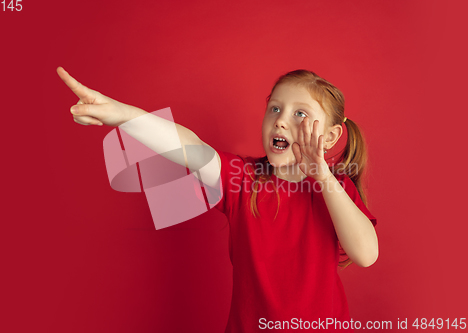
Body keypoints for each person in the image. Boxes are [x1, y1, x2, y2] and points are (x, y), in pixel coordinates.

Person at [57, 67, 378, 332]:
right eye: (275, 108)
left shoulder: (336, 188)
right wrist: (123, 115)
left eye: (300, 114)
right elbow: (189, 147)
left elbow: (365, 254)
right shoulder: (243, 178)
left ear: (332, 136)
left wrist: (322, 176)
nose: (280, 120)